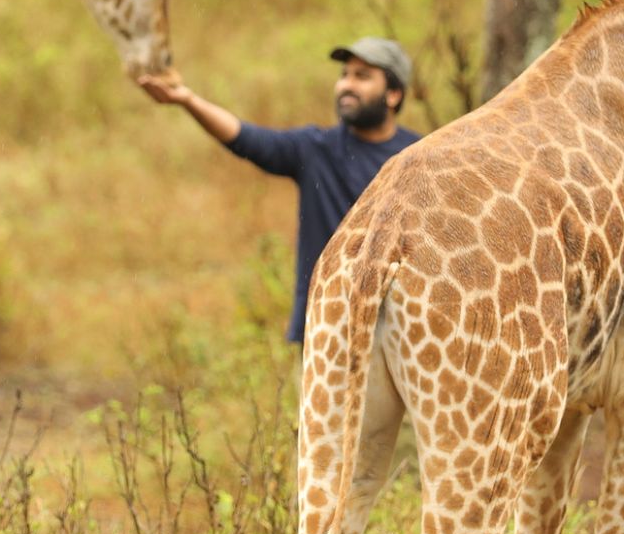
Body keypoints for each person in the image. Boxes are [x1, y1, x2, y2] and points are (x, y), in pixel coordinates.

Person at [138, 37, 421, 343]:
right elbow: (247, 138)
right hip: (326, 328)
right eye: (345, 75)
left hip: (396, 330)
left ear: (393, 94)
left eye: (362, 77)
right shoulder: (316, 149)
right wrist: (188, 100)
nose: (346, 85)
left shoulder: (417, 158)